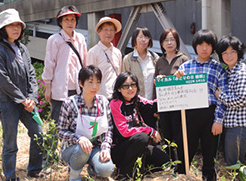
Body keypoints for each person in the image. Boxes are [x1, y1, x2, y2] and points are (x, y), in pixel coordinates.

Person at [174, 29, 228, 181]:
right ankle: (181, 177)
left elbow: (222, 98)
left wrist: (218, 120)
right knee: (185, 151)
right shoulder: (185, 67)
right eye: (201, 44)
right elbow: (174, 91)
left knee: (209, 154)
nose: (204, 48)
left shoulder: (218, 68)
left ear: (213, 47)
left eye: (208, 45)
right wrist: (175, 78)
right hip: (189, 115)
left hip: (209, 115)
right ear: (195, 46)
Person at [0, 9, 44, 180]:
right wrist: (22, 99)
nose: (16, 28)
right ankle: (11, 176)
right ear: (3, 28)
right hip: (7, 102)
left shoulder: (23, 48)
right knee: (10, 142)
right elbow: (3, 79)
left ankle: (34, 169)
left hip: (27, 102)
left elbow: (32, 74)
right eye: (11, 25)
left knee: (39, 133)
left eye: (18, 25)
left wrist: (32, 98)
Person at [58, 65, 114, 181]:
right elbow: (61, 131)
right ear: (81, 83)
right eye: (90, 82)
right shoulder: (69, 103)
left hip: (95, 147)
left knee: (107, 170)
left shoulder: (103, 102)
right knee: (82, 149)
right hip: (73, 148)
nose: (95, 86)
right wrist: (78, 139)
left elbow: (108, 129)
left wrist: (105, 148)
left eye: (98, 82)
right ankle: (74, 175)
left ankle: (93, 169)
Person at [110, 71, 169, 179]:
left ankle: (140, 170)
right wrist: (150, 131)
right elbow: (124, 132)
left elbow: (153, 105)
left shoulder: (137, 100)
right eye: (125, 86)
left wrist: (162, 87)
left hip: (137, 146)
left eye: (133, 85)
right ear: (119, 88)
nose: (130, 89)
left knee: (164, 160)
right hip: (119, 149)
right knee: (142, 137)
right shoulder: (115, 104)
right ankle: (124, 173)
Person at [42, 5, 87, 123]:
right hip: (60, 88)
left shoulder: (80, 38)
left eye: (73, 19)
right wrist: (48, 87)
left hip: (77, 88)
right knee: (57, 122)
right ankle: (52, 142)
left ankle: (72, 142)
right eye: (66, 19)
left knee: (76, 122)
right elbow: (49, 64)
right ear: (60, 22)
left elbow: (84, 61)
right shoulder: (54, 39)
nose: (70, 22)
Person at [154, 28, 189, 158]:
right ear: (162, 43)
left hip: (179, 104)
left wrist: (181, 77)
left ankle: (181, 163)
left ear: (177, 42)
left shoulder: (183, 59)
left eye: (172, 39)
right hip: (164, 104)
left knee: (178, 134)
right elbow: (155, 84)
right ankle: (170, 161)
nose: (169, 43)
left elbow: (189, 81)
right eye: (166, 40)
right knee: (167, 134)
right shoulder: (159, 61)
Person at [215, 35, 246, 166]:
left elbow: (241, 99)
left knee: (235, 164)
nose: (229, 56)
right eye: (225, 53)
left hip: (238, 126)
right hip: (230, 124)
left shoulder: (241, 72)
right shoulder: (228, 72)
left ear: (238, 53)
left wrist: (220, 96)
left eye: (232, 52)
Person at [86, 17, 122, 100]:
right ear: (99, 32)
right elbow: (89, 77)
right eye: (105, 30)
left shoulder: (117, 52)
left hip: (116, 96)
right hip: (100, 97)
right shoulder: (93, 52)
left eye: (111, 30)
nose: (109, 33)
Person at [123, 27, 159, 100]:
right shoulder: (128, 59)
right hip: (135, 102)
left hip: (153, 102)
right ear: (134, 39)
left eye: (146, 37)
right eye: (140, 37)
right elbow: (124, 82)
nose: (143, 40)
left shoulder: (155, 58)